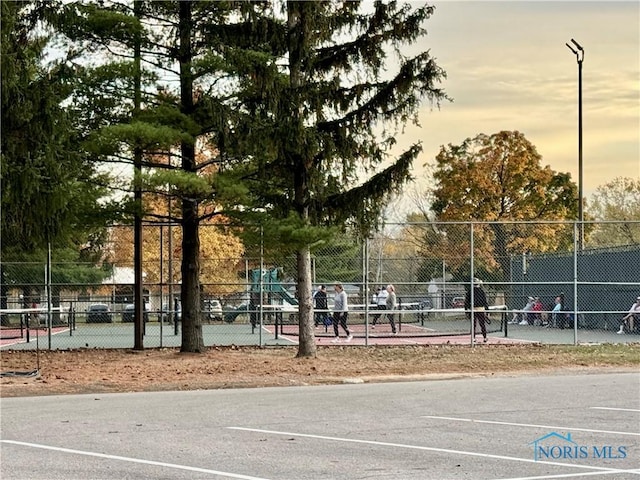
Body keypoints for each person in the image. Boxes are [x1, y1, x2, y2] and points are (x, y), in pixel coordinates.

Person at [464, 278, 489, 343]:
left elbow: (466, 301)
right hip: (480, 309)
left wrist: (466, 309)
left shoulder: (470, 291)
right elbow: (485, 301)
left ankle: (473, 338)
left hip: (473, 309)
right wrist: (487, 310)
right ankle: (485, 337)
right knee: (482, 324)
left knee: (473, 324)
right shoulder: (481, 291)